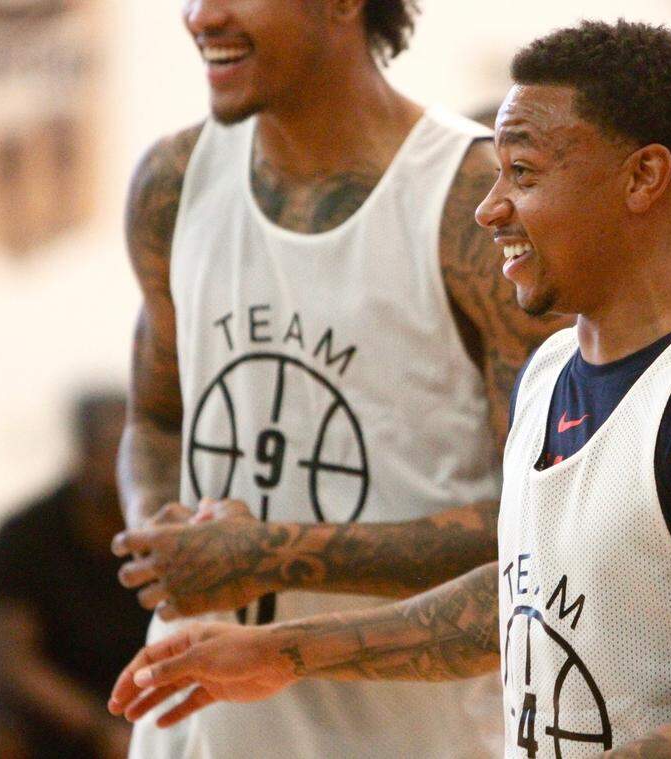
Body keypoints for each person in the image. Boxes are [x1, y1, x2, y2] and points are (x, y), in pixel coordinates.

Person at [111, 20, 671, 757]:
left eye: (523, 173)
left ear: (643, 176)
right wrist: (284, 651)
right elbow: (522, 596)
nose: (489, 210)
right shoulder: (550, 375)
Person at [110, 1, 564, 757]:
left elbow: (547, 530)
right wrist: (165, 533)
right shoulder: (172, 182)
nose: (200, 15)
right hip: (195, 728)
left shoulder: (476, 204)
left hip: (414, 737)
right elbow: (154, 420)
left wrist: (267, 554)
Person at [0, 392, 144, 759]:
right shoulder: (28, 535)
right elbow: (9, 661)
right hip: (58, 716)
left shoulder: (167, 529)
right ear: (83, 453)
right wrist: (98, 728)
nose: (130, 465)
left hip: (147, 703)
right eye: (115, 450)